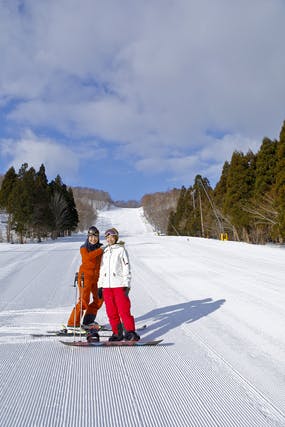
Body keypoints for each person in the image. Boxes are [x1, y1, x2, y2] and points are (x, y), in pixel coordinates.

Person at [97, 228, 140, 341]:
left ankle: (130, 332)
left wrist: (126, 284)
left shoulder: (121, 250)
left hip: (119, 285)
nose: (109, 239)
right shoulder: (105, 252)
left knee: (124, 310)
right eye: (107, 237)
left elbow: (126, 267)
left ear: (116, 238)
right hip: (107, 287)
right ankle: (117, 333)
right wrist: (100, 286)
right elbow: (102, 270)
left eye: (112, 237)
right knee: (111, 312)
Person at [67, 226, 104, 329]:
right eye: (91, 236)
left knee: (99, 299)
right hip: (85, 278)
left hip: (96, 279)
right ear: (88, 237)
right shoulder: (84, 248)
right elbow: (87, 258)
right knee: (84, 301)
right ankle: (72, 323)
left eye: (95, 236)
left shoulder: (100, 248)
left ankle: (88, 321)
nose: (93, 239)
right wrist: (100, 250)